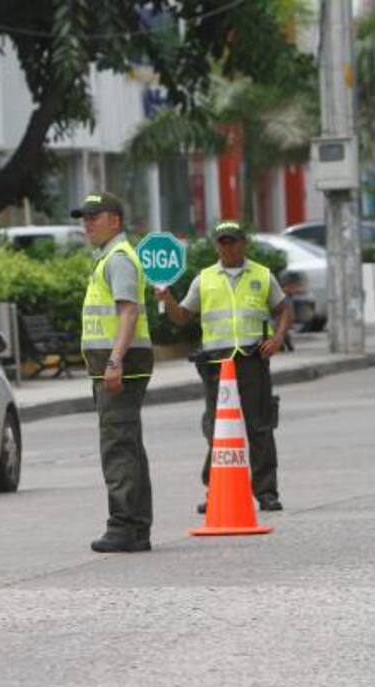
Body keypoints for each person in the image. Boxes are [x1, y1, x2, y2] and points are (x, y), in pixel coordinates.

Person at [155, 220, 292, 513]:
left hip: (252, 359)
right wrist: (166, 300)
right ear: (216, 246)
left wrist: (278, 338)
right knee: (217, 429)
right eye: (222, 242)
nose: (227, 247)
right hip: (217, 364)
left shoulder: (262, 275)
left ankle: (266, 492)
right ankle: (216, 489)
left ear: (244, 243)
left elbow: (283, 309)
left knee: (260, 426)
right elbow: (182, 316)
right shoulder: (204, 279)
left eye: (232, 241)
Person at [73, 191, 156, 552]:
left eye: (95, 216)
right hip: (117, 365)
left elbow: (128, 312)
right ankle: (136, 527)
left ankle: (123, 525)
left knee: (118, 446)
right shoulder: (109, 257)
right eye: (85, 218)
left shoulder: (119, 258)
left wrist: (114, 361)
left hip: (119, 366)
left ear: (115, 221)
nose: (87, 223)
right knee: (129, 444)